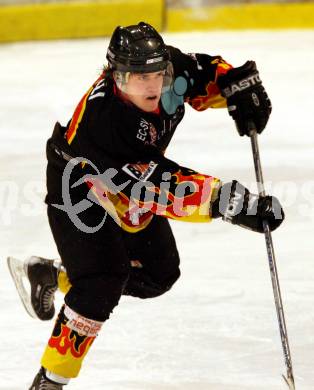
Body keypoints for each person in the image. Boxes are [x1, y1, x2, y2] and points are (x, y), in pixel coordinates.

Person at [22, 22, 283, 389]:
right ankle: (49, 381)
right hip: (78, 189)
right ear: (116, 76)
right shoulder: (104, 123)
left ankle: (55, 274)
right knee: (99, 284)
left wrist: (237, 87)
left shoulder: (168, 73)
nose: (152, 85)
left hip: (128, 186)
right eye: (138, 77)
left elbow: (203, 74)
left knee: (159, 275)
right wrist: (231, 202)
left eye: (157, 74)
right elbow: (159, 186)